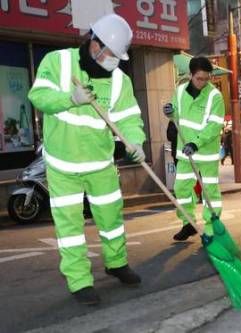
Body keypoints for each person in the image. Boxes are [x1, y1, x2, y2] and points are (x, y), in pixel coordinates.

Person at [27, 14, 144, 305]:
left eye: (118, 57)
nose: (112, 61)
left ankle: (116, 263)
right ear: (94, 43)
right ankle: (79, 280)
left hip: (100, 164)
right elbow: (38, 96)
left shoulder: (119, 80)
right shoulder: (58, 62)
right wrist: (70, 98)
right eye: (110, 55)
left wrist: (136, 142)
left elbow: (129, 118)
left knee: (111, 219)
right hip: (63, 165)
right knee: (69, 228)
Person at [163, 57, 225, 241]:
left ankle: (211, 228)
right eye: (199, 78)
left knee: (209, 192)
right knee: (181, 188)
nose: (203, 83)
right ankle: (188, 223)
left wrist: (196, 143)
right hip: (185, 152)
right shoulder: (180, 91)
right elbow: (175, 111)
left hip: (206, 153)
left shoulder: (215, 97)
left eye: (207, 78)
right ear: (190, 75)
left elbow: (214, 126)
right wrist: (169, 111)